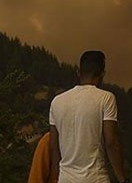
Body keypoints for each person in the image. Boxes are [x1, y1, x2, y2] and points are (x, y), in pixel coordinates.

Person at [49, 51, 127, 183]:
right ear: (102, 73)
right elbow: (111, 142)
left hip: (65, 178)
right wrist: (123, 179)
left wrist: (57, 177)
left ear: (78, 72)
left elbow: (53, 145)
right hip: (95, 178)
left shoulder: (57, 101)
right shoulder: (106, 98)